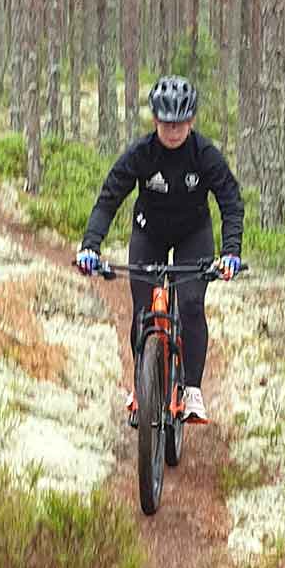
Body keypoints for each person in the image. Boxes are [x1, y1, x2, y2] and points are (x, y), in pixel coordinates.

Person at [75, 75, 244, 426]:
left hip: (193, 235)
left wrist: (230, 252)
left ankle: (192, 390)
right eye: (166, 123)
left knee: (192, 303)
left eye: (180, 123)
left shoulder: (205, 154)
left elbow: (230, 201)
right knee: (143, 308)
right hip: (148, 233)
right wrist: (90, 246)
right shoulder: (141, 154)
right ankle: (142, 387)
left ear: (191, 121)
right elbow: (109, 199)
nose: (173, 131)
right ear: (156, 121)